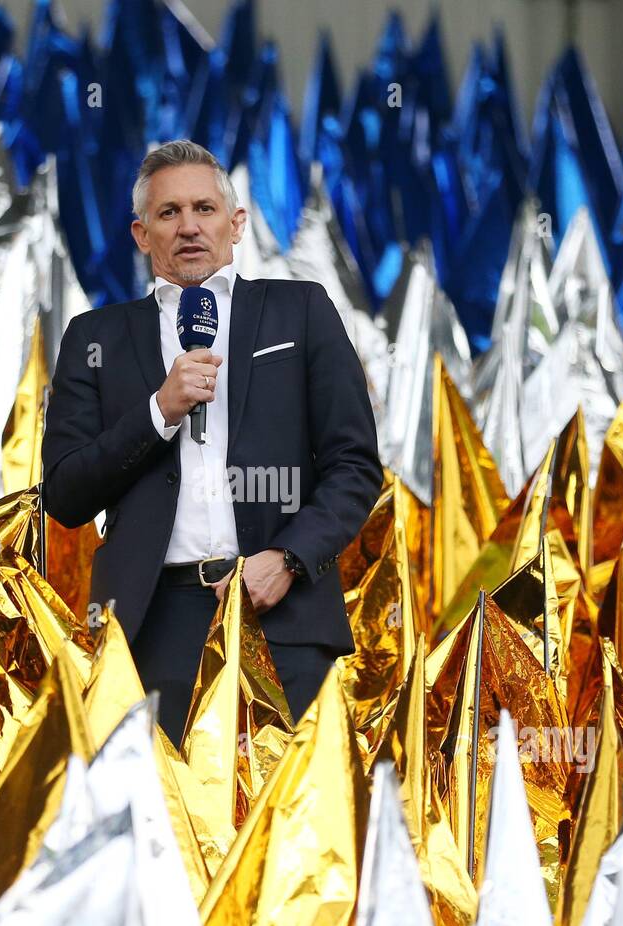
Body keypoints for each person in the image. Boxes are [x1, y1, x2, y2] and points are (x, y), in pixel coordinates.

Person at [42, 139, 381, 742]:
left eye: (204, 209)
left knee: (289, 828)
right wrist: (158, 411)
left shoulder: (299, 311)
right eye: (169, 213)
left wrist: (291, 559)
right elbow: (65, 492)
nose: (189, 226)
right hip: (150, 627)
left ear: (237, 223)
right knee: (163, 830)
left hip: (282, 614)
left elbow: (354, 464)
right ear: (142, 235)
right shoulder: (95, 338)